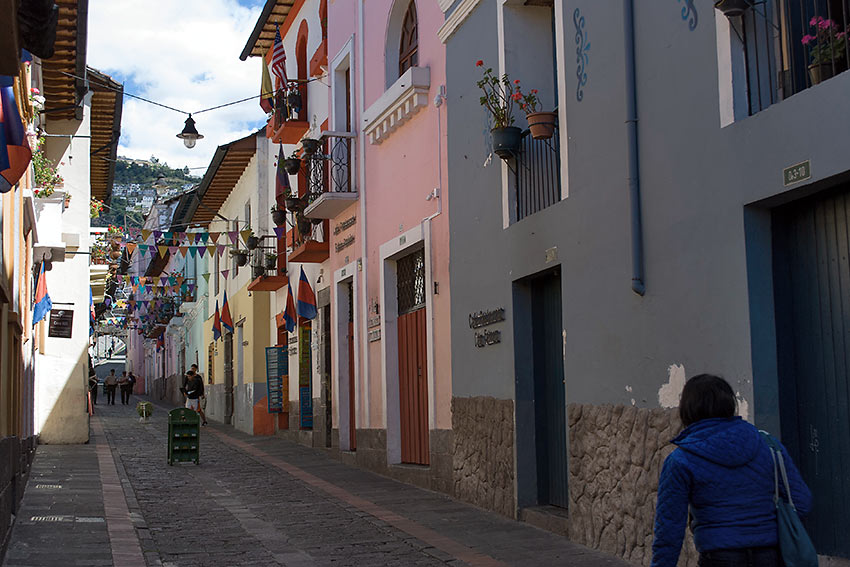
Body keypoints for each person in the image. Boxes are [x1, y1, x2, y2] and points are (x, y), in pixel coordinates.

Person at [651, 374, 812, 567]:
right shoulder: (769, 446)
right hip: (770, 555)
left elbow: (669, 529)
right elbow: (802, 502)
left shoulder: (681, 460)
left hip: (719, 556)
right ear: (730, 404)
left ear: (688, 410)